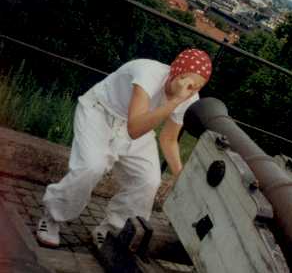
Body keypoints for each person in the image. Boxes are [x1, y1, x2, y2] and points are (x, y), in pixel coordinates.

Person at [36, 49, 212, 248]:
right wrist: (175, 101)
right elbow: (134, 127)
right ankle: (52, 218)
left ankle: (112, 231)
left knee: (148, 180)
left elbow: (169, 138)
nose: (189, 88)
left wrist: (181, 175)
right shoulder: (149, 73)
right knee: (91, 167)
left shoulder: (189, 97)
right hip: (100, 112)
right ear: (175, 71)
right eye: (186, 80)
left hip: (140, 125)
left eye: (197, 86)